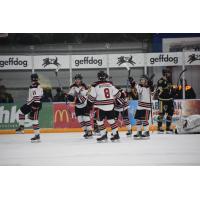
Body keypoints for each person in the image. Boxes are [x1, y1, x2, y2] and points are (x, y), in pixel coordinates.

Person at [87, 70, 121, 142]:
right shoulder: (110, 84)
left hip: (100, 106)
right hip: (110, 106)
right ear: (106, 77)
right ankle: (116, 135)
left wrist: (88, 104)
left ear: (98, 77)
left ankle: (104, 135)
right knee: (111, 121)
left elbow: (91, 98)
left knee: (99, 121)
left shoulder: (95, 85)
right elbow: (118, 95)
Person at [16, 73, 43, 142]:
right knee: (21, 112)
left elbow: (36, 98)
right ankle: (21, 127)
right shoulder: (37, 85)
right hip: (31, 104)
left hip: (35, 105)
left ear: (31, 79)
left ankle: (37, 136)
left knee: (34, 120)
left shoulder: (34, 86)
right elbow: (38, 96)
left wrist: (35, 107)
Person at [66, 74, 93, 138]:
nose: (77, 80)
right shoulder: (72, 87)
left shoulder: (84, 86)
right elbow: (71, 97)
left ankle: (90, 132)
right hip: (77, 106)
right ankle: (86, 132)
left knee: (86, 118)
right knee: (80, 119)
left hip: (85, 105)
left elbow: (84, 98)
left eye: (78, 79)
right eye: (76, 79)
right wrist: (67, 96)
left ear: (81, 80)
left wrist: (74, 99)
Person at [156, 69, 176, 134]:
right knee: (161, 114)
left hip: (169, 100)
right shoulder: (160, 81)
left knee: (170, 114)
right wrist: (164, 88)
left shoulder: (169, 81)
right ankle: (159, 127)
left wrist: (174, 91)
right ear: (165, 73)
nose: (169, 74)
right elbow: (159, 91)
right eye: (168, 73)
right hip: (162, 100)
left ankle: (168, 127)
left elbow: (171, 89)